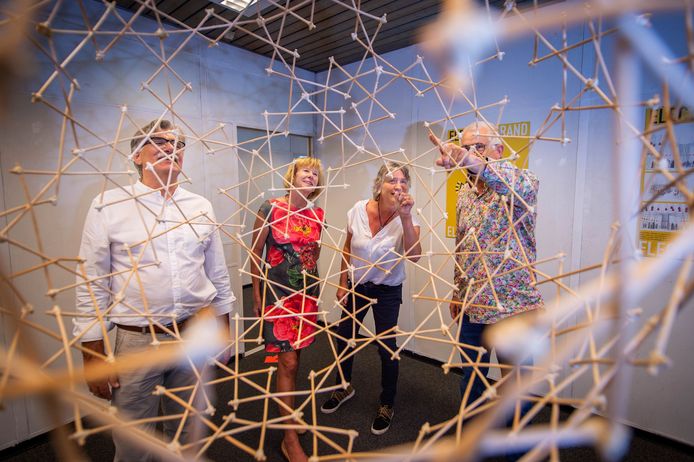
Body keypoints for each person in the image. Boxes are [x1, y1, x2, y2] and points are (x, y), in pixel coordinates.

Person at [74, 119, 235, 462]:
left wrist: (224, 328)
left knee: (187, 433)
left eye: (177, 144)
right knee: (134, 442)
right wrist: (92, 352)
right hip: (137, 342)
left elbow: (217, 273)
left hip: (192, 334)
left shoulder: (200, 206)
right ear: (136, 155)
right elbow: (91, 280)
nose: (170, 148)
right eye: (158, 142)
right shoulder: (108, 205)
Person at [428, 121, 544, 425]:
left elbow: (516, 184)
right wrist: (457, 291)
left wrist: (465, 158)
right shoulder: (465, 196)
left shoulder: (522, 183)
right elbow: (462, 247)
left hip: (513, 307)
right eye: (466, 148)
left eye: (478, 147)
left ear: (499, 150)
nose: (470, 154)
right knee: (472, 379)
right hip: (473, 304)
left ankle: (516, 443)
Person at [320, 161, 422, 436]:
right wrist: (342, 282)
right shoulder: (358, 209)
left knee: (387, 348)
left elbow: (414, 256)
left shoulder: (409, 218)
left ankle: (387, 403)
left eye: (403, 181)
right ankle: (343, 387)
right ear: (379, 185)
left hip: (387, 290)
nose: (398, 185)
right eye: (392, 180)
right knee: (345, 338)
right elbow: (347, 247)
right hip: (357, 286)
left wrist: (406, 217)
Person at [250, 156, 325, 462]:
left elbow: (313, 254)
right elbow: (256, 252)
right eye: (306, 170)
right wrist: (257, 294)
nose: (311, 175)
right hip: (278, 296)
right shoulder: (270, 208)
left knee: (296, 359)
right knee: (288, 362)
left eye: (315, 173)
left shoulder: (317, 213)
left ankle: (290, 416)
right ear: (291, 175)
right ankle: (289, 439)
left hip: (306, 296)